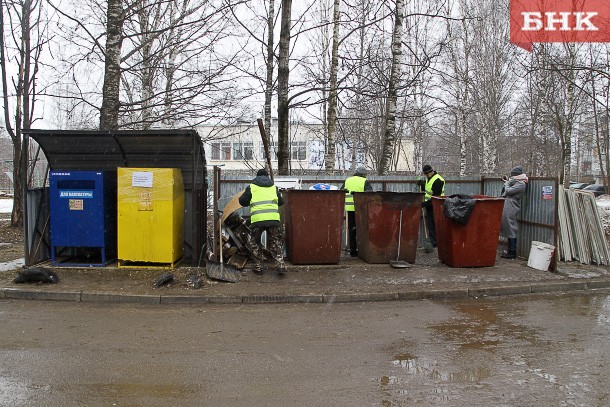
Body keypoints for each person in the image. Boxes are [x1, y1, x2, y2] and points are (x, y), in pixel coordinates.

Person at [239, 168, 286, 275]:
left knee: (254, 242)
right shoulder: (274, 188)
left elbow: (242, 201)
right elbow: (281, 202)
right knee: (276, 242)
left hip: (257, 221)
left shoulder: (251, 187)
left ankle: (259, 266)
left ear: (257, 177)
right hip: (273, 220)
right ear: (267, 176)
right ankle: (280, 264)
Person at [341, 166, 373, 257]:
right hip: (361, 209)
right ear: (364, 174)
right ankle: (362, 251)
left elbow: (341, 191)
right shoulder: (364, 181)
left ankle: (353, 252)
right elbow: (370, 193)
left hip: (349, 209)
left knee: (352, 230)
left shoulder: (348, 180)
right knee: (362, 230)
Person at [500, 165, 528, 259]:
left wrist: (507, 183)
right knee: (508, 226)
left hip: (511, 206)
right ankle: (510, 251)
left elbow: (509, 191)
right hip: (508, 205)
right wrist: (508, 181)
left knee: (511, 227)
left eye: (513, 175)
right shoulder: (517, 182)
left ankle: (512, 252)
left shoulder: (521, 184)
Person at [418, 164, 445, 248]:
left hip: (436, 205)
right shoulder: (429, 178)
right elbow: (427, 189)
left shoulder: (438, 180)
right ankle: (434, 243)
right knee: (431, 225)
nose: (425, 175)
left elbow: (435, 197)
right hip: (430, 206)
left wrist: (424, 204)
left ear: (430, 172)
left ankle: (436, 243)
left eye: (426, 174)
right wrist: (421, 184)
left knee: (435, 224)